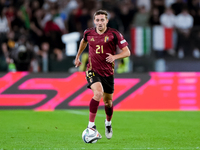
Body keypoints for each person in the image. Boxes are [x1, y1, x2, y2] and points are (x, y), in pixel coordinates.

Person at [74, 10, 130, 139]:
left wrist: (115, 57)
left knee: (108, 102)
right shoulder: (88, 33)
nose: (100, 22)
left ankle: (108, 123)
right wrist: (77, 57)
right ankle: (91, 126)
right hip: (92, 70)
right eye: (97, 20)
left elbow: (127, 52)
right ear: (94, 21)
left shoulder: (114, 34)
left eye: (102, 20)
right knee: (98, 93)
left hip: (108, 73)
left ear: (106, 21)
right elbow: (83, 42)